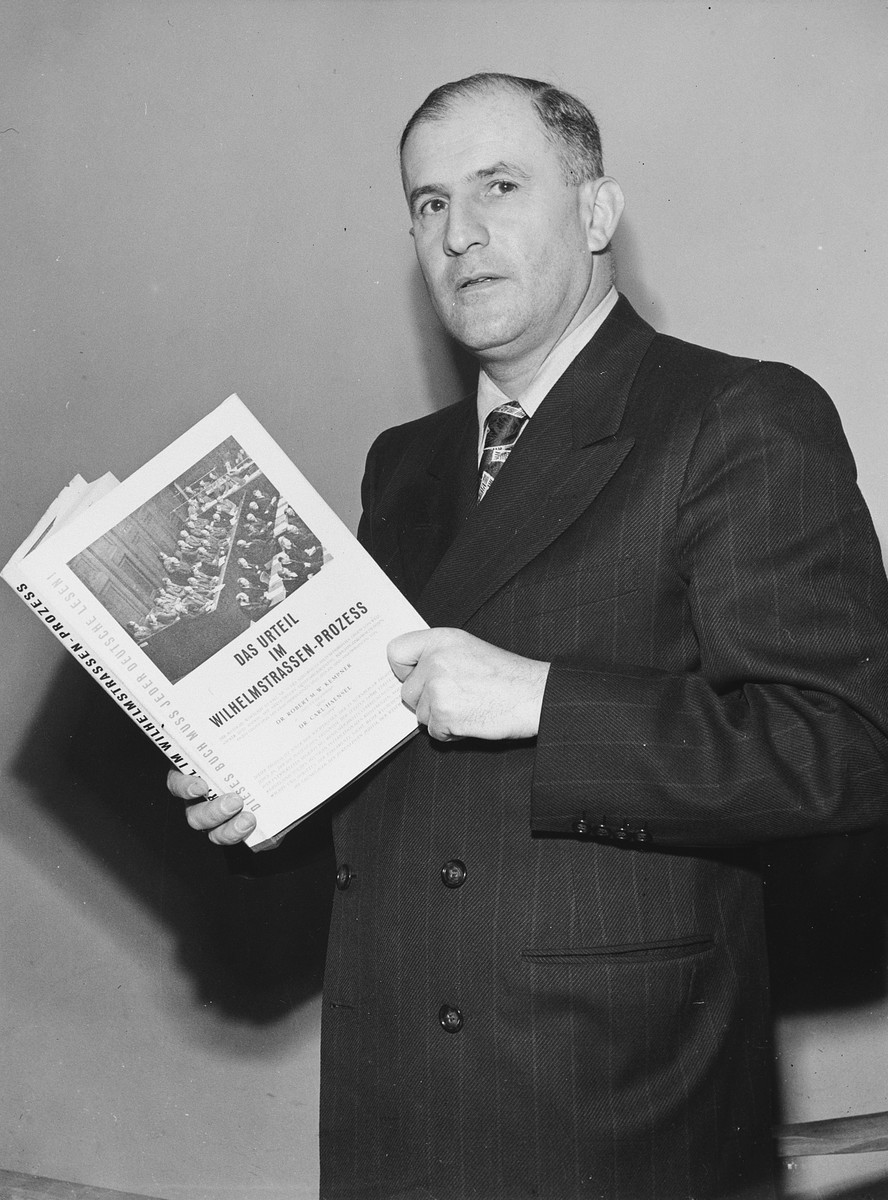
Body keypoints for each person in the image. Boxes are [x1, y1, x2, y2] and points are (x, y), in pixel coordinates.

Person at [168, 74, 888, 1199]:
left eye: (499, 187)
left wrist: (547, 702)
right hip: (391, 1081)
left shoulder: (738, 415)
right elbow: (403, 766)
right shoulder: (403, 464)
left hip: (611, 1098)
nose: (459, 233)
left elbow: (842, 750)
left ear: (597, 214)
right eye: (427, 204)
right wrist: (269, 788)